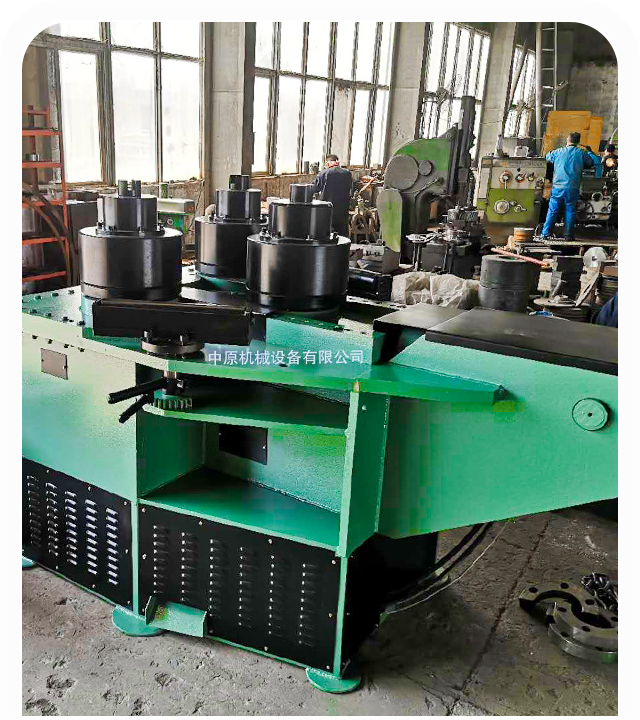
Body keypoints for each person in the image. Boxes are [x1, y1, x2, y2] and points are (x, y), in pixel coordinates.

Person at [540, 132, 594, 240]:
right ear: (578, 142)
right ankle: (568, 236)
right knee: (570, 212)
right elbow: (591, 163)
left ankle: (545, 234)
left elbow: (547, 157)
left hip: (558, 187)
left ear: (567, 140)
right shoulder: (581, 153)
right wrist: (589, 152)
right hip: (572, 188)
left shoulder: (558, 152)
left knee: (552, 211)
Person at [310, 154, 352, 236]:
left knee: (327, 235)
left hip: (328, 210)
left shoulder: (323, 173)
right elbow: (350, 189)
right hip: (343, 210)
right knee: (342, 236)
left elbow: (314, 189)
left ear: (327, 163)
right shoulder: (347, 173)